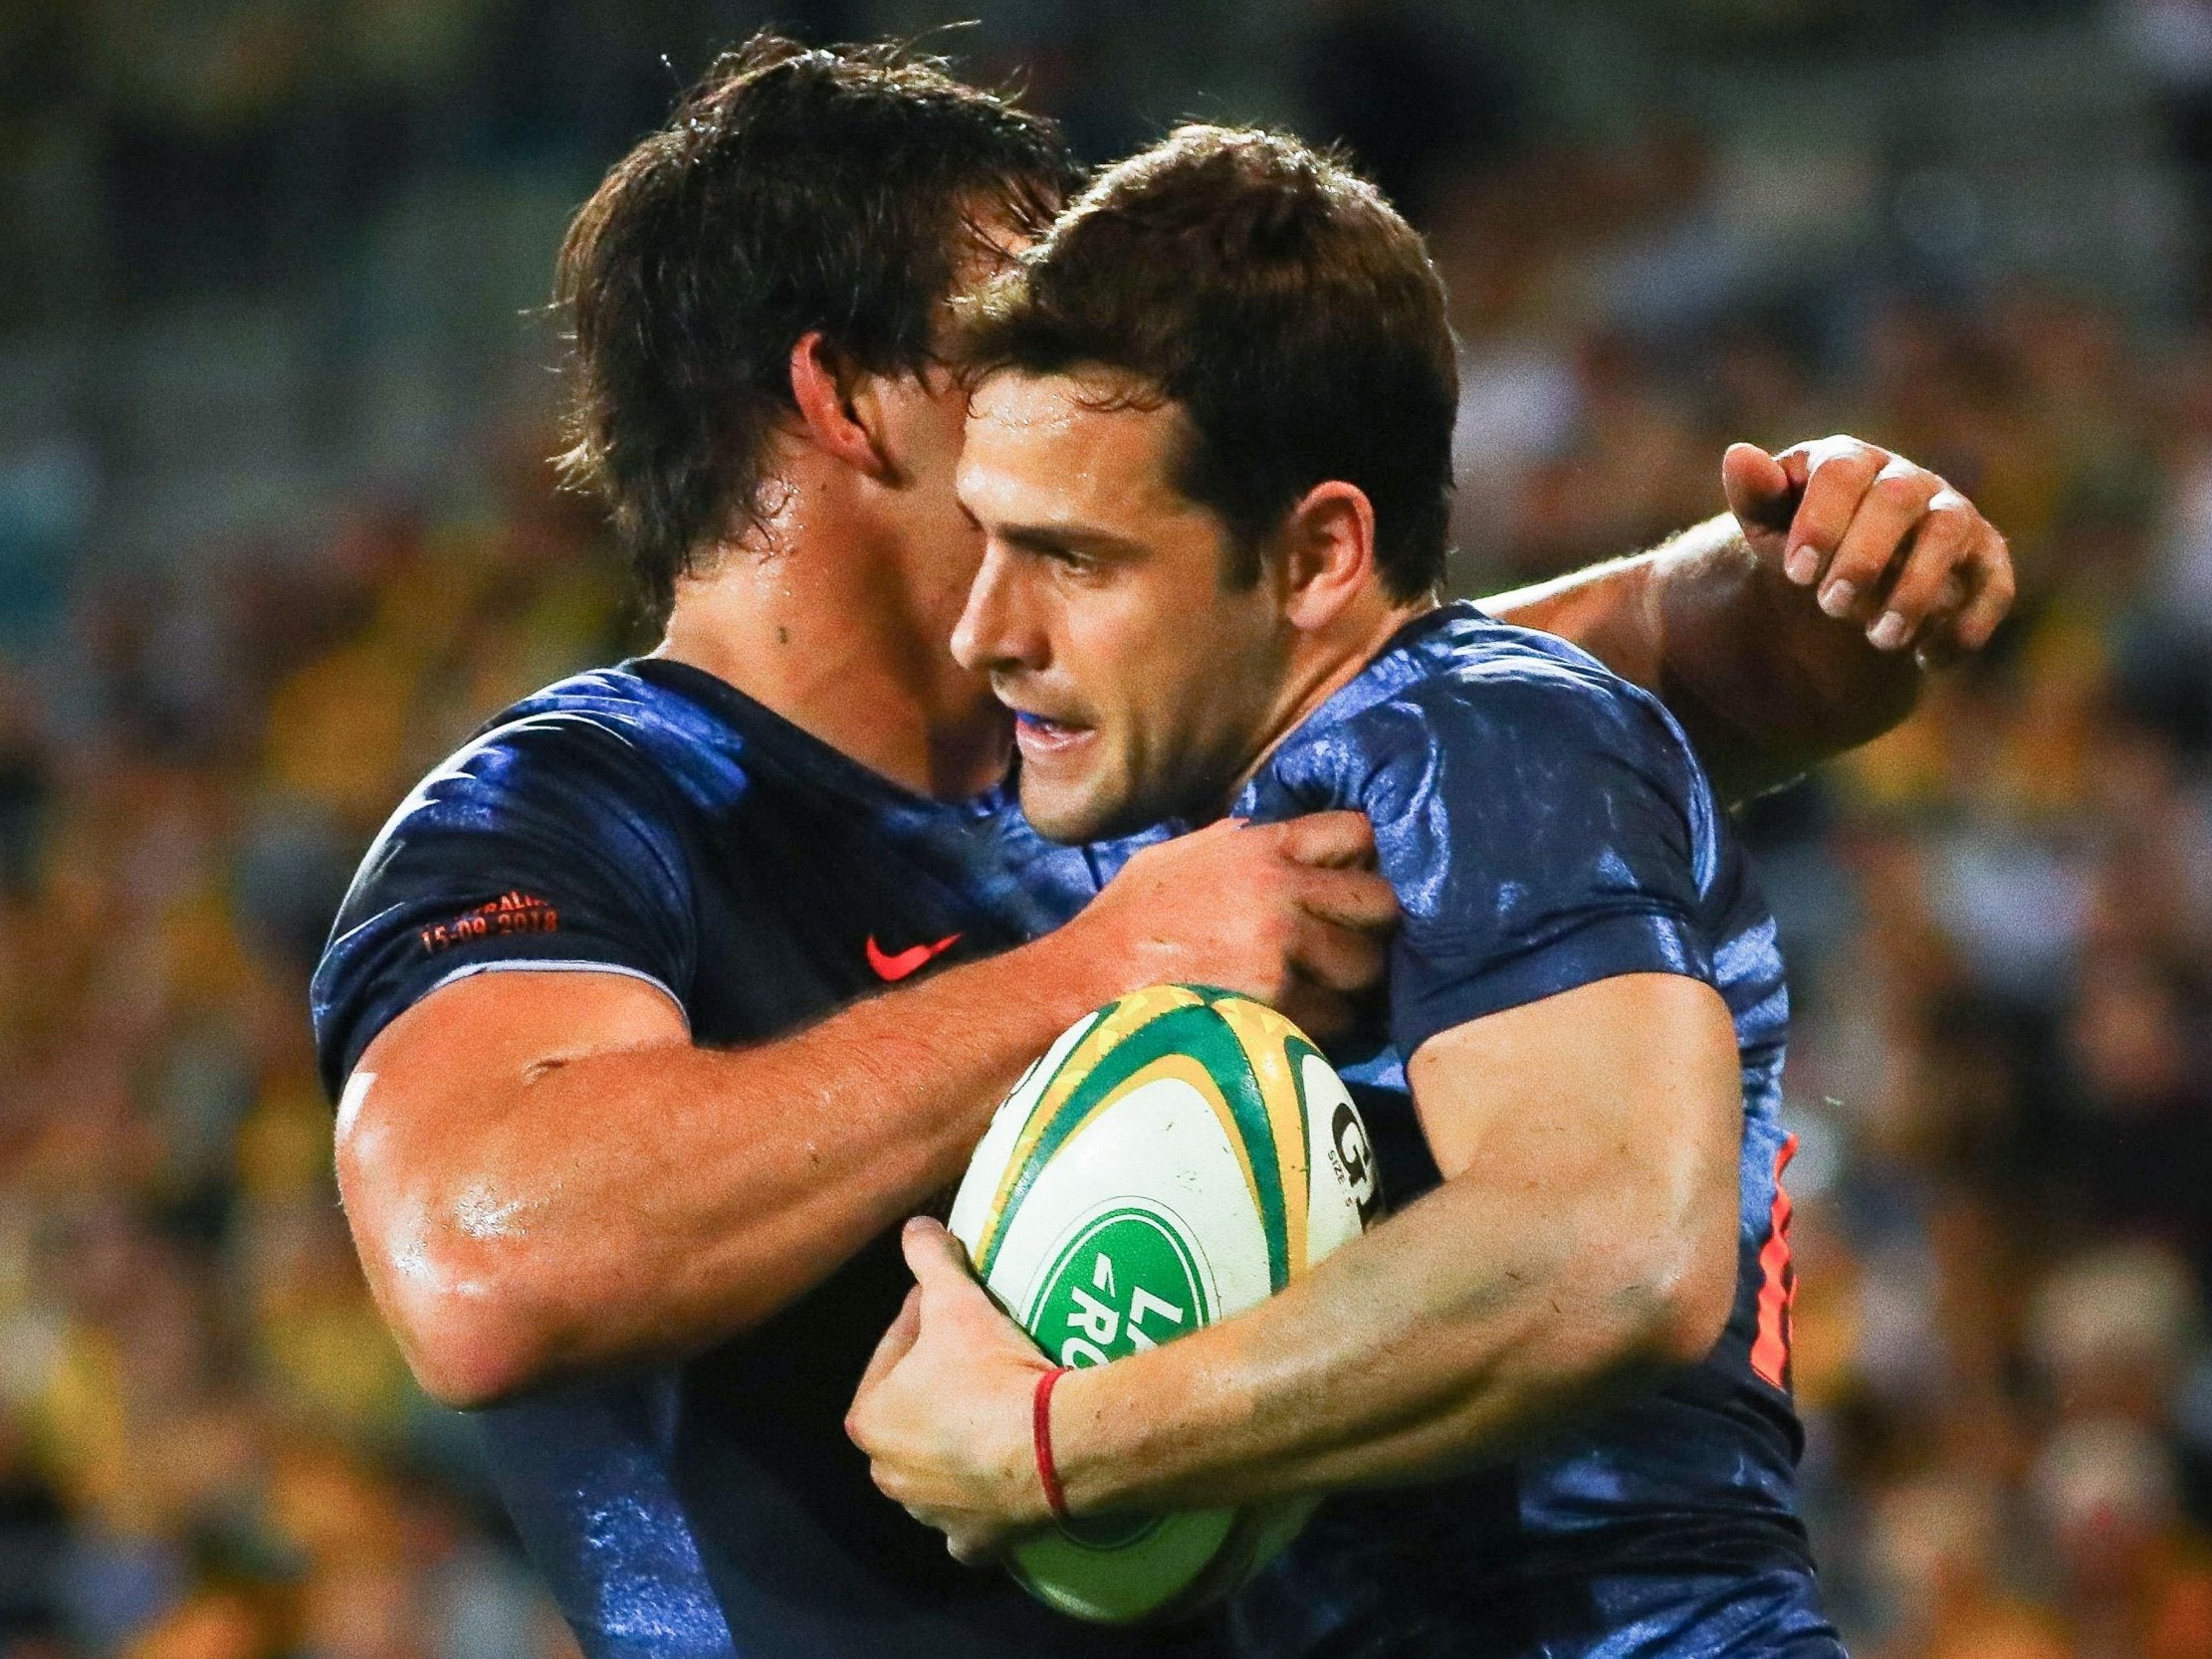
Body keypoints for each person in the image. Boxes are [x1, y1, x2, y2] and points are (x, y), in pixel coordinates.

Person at [315, 39, 2010, 1659]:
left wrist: (1826, 563)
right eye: (1008, 319)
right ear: (841, 395)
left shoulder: (1139, 755)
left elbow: (1512, 683)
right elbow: (487, 1264)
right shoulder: (569, 808)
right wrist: (1094, 975)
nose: (1079, 359)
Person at [840, 124, 1972, 1655]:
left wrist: (1054, 1441)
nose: (988, 627)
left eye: (1073, 559)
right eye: (985, 541)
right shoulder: (1163, 819)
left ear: (1316, 555)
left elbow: (1607, 1255)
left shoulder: (1477, 733)